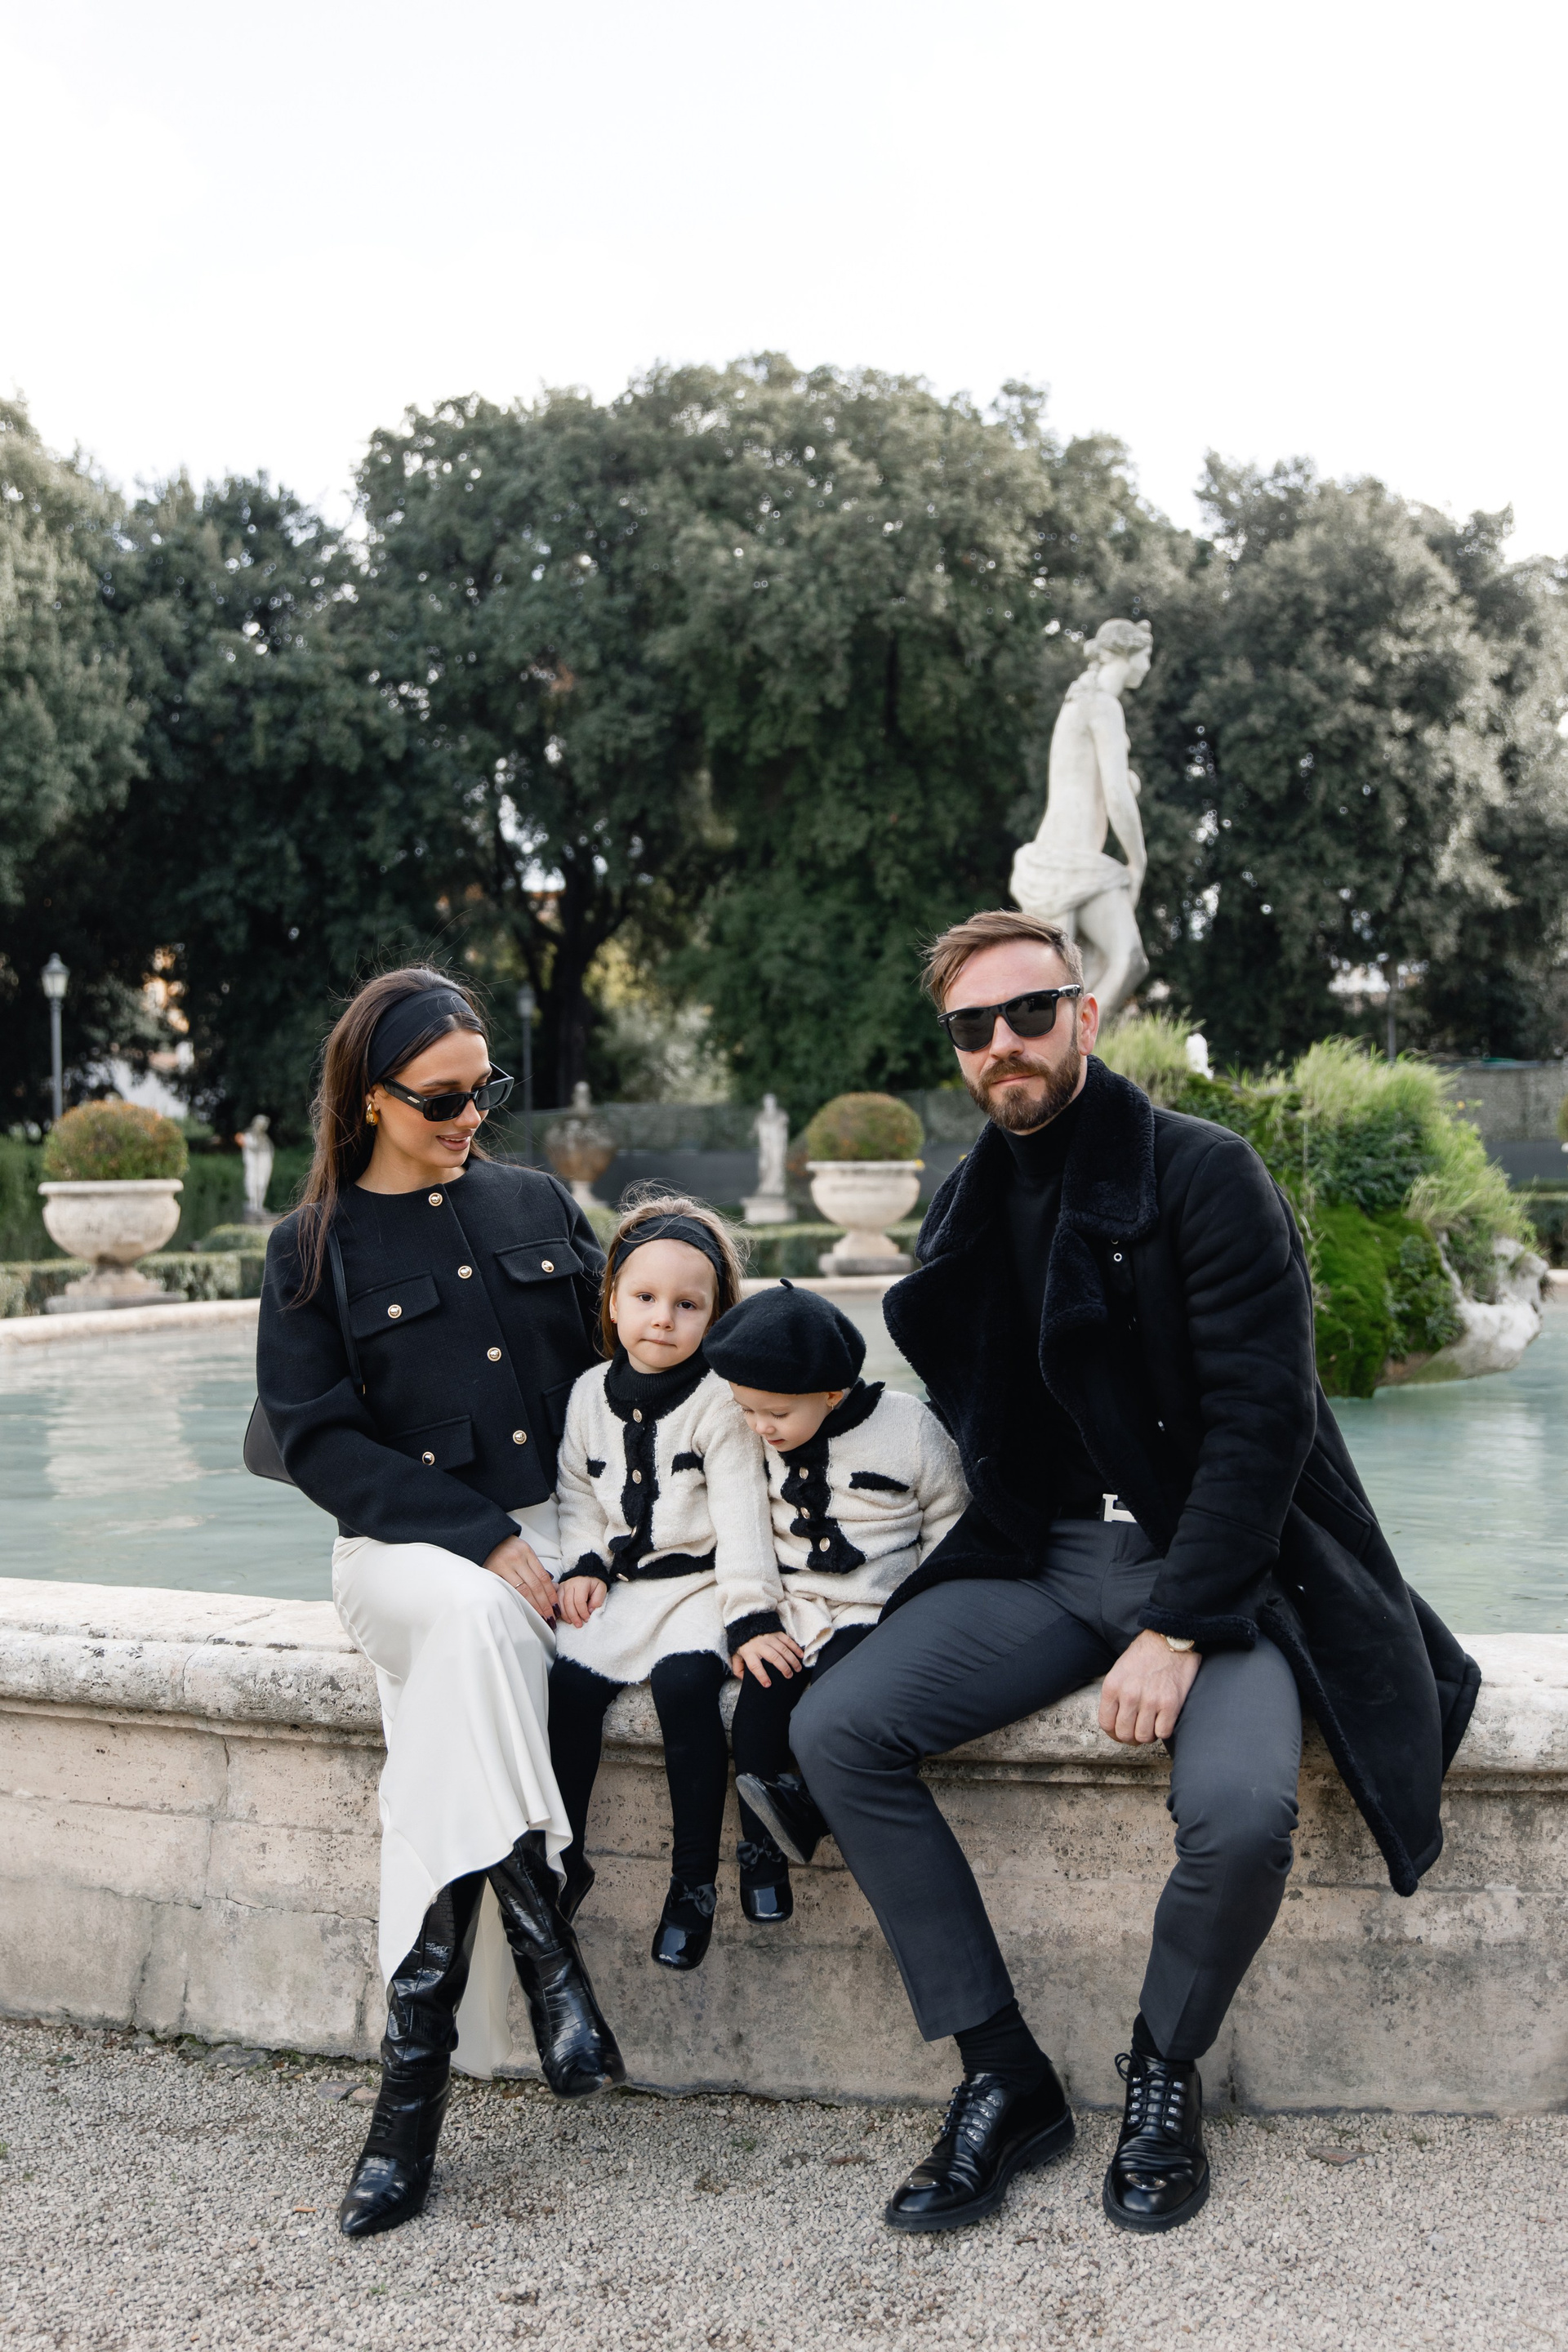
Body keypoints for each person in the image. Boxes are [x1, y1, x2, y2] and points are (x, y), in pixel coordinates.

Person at [789, 907, 1480, 2238]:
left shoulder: (1205, 1173)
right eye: (973, 1026)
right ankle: (1005, 2076)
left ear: (1085, 1015)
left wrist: (1177, 1624)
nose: (1004, 1043)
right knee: (836, 1727)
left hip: (1221, 1568)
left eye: (1029, 1012)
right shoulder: (967, 1200)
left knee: (1241, 1816)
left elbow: (1263, 1425)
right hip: (1044, 1561)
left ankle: (1164, 2069)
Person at [256, 966, 625, 2243]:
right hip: (402, 1551)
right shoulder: (309, 1248)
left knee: (455, 1703)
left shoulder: (535, 1203)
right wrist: (483, 1537)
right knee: (474, 1617)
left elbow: (622, 1369)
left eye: (484, 1092)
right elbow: (321, 1447)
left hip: (558, 1533)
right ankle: (545, 1944)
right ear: (370, 1098)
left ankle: (407, 2106)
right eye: (442, 1099)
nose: (472, 1118)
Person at [547, 1196, 779, 1968]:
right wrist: (585, 1563)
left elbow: (745, 1518)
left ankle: (692, 1883)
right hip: (627, 1589)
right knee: (569, 1689)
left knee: (686, 1691)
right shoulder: (589, 1393)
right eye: (645, 1297)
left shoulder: (721, 1401)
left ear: (716, 1316)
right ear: (612, 1301)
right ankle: (561, 1860)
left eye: (688, 1305)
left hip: (702, 1589)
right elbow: (577, 1496)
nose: (663, 1319)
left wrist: (749, 1616)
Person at [700, 1281, 969, 1919]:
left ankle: (811, 1808)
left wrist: (925, 1610)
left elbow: (950, 1518)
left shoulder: (907, 1426)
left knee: (834, 1709)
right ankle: (761, 1851)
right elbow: (742, 1530)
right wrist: (752, 1620)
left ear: (831, 1393)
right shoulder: (749, 1431)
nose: (759, 1426)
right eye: (746, 1409)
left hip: (878, 1611)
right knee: (760, 1707)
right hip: (796, 1608)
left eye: (774, 1413)